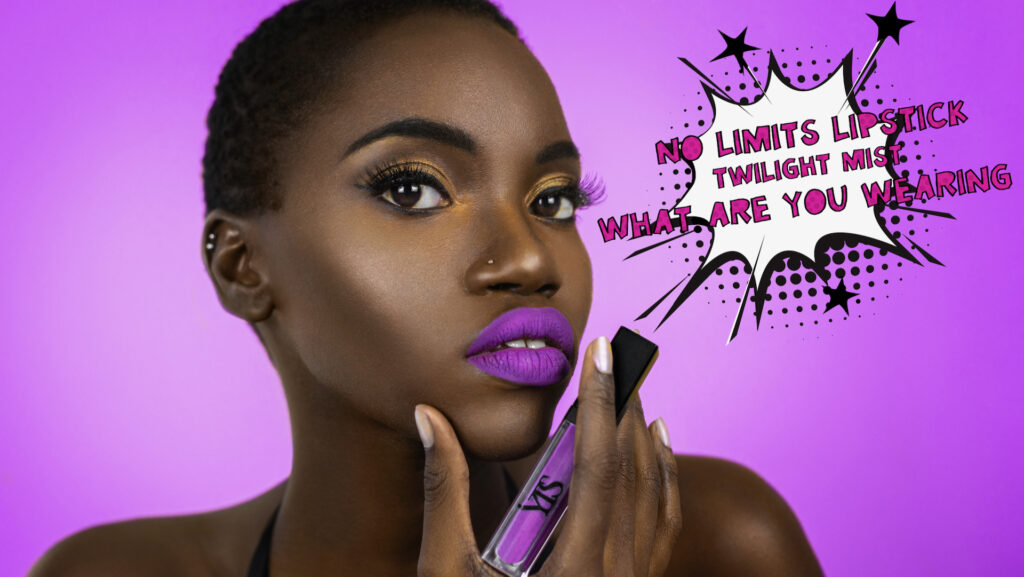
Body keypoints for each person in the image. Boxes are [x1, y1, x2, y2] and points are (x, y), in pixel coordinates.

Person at [28, 1, 824, 575]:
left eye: (551, 199)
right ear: (244, 266)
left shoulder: (715, 543)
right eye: (414, 189)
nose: (528, 259)